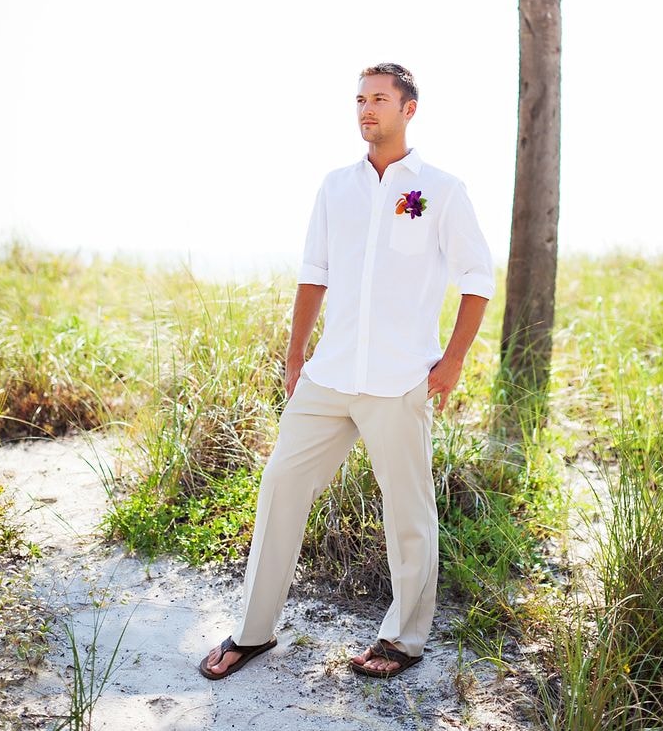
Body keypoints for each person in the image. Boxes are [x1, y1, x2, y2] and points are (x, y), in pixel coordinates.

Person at [200, 63, 495, 680]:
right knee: (280, 483)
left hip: (400, 379)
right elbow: (315, 271)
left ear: (408, 109)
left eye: (380, 99)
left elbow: (477, 279)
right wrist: (294, 355)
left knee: (408, 510)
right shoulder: (336, 186)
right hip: (328, 377)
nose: (367, 109)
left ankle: (403, 641)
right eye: (360, 99)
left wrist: (454, 359)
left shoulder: (440, 190)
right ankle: (254, 632)